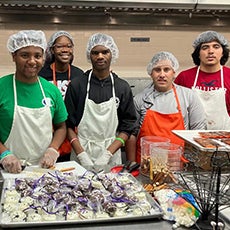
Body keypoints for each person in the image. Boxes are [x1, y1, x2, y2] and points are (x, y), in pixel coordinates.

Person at [64, 33, 137, 167]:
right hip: (81, 152)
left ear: (112, 54)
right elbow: (67, 125)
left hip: (111, 154)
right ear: (89, 55)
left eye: (105, 52)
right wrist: (81, 154)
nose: (100, 56)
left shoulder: (122, 87)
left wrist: (107, 154)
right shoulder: (77, 85)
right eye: (95, 53)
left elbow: (128, 126)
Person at [0, 30, 68, 173]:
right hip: (7, 168)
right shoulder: (2, 87)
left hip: (43, 169)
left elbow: (61, 127)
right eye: (25, 55)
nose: (32, 61)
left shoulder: (51, 90)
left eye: (37, 56)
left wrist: (53, 149)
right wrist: (4, 154)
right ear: (14, 56)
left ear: (43, 58)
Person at [125, 51, 206, 163]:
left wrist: (194, 164)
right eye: (157, 70)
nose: (162, 75)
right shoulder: (139, 100)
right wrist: (132, 164)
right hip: (146, 164)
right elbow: (131, 135)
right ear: (151, 73)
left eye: (166, 70)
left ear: (174, 72)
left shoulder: (188, 96)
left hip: (178, 163)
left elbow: (197, 132)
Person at [39, 30, 84, 162]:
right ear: (52, 50)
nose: (65, 50)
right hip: (47, 133)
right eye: (59, 46)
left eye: (69, 46)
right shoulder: (41, 74)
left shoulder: (78, 75)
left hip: (72, 135)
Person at [174, 30, 230, 130]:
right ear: (198, 54)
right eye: (205, 47)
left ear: (222, 53)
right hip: (190, 139)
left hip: (225, 139)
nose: (211, 51)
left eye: (216, 47)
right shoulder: (184, 77)